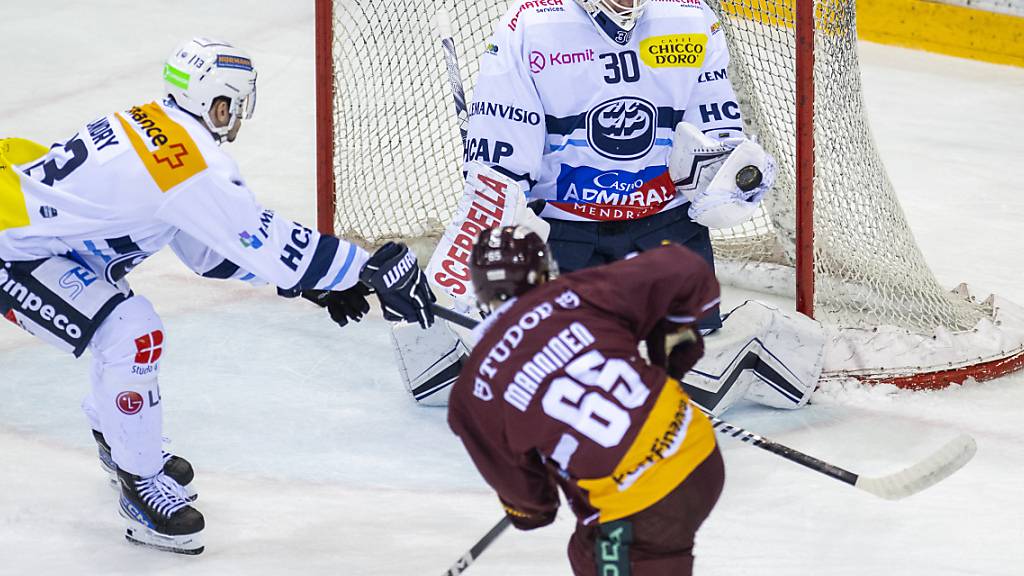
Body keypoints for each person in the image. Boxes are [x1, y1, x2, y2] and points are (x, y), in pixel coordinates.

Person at [0, 37, 435, 555]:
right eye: (238, 105)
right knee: (130, 333)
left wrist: (313, 282)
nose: (239, 119)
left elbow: (206, 250)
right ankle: (138, 486)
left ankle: (122, 441)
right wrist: (360, 270)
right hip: (14, 251)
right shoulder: (189, 162)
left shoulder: (155, 124)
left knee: (118, 320)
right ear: (218, 102)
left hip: (40, 235)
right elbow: (258, 235)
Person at [447, 0, 777, 332]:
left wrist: (729, 178)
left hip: (666, 230)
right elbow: (501, 163)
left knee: (694, 362)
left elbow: (714, 132)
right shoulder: (530, 25)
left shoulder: (689, 16)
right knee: (561, 366)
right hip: (564, 237)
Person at [448, 226, 725, 576]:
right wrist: (675, 339)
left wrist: (530, 499)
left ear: (478, 290)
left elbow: (534, 508)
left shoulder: (474, 391)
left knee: (593, 557)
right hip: (700, 455)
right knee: (588, 552)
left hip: (640, 512)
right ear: (546, 269)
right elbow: (683, 265)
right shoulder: (582, 291)